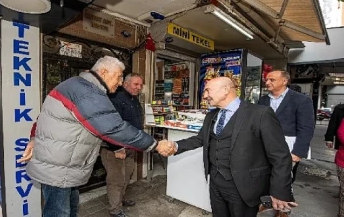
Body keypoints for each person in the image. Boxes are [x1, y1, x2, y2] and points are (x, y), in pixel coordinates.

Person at [17, 56, 171, 217]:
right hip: (58, 168)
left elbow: (45, 117)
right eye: (118, 76)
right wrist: (156, 145)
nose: (120, 82)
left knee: (70, 209)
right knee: (59, 212)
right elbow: (113, 128)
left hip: (65, 166)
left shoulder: (80, 86)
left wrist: (35, 138)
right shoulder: (86, 91)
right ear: (103, 72)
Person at [158, 77, 297, 217]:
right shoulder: (211, 115)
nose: (204, 96)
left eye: (207, 90)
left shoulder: (260, 114)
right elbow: (201, 139)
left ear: (225, 90)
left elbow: (280, 155)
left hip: (245, 187)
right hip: (216, 183)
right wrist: (175, 146)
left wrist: (280, 192)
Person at [258, 70, 314, 182]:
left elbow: (306, 128)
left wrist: (298, 152)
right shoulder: (263, 100)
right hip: (264, 146)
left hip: (288, 147)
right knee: (264, 178)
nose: (267, 82)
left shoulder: (301, 100)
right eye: (266, 80)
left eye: (272, 80)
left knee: (283, 180)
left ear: (284, 81)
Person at [101, 73, 144, 217]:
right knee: (116, 179)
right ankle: (115, 209)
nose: (139, 87)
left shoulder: (134, 99)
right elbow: (110, 126)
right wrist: (116, 147)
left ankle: (121, 199)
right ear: (125, 84)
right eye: (135, 84)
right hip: (115, 149)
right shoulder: (115, 98)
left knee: (126, 176)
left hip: (130, 147)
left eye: (140, 85)